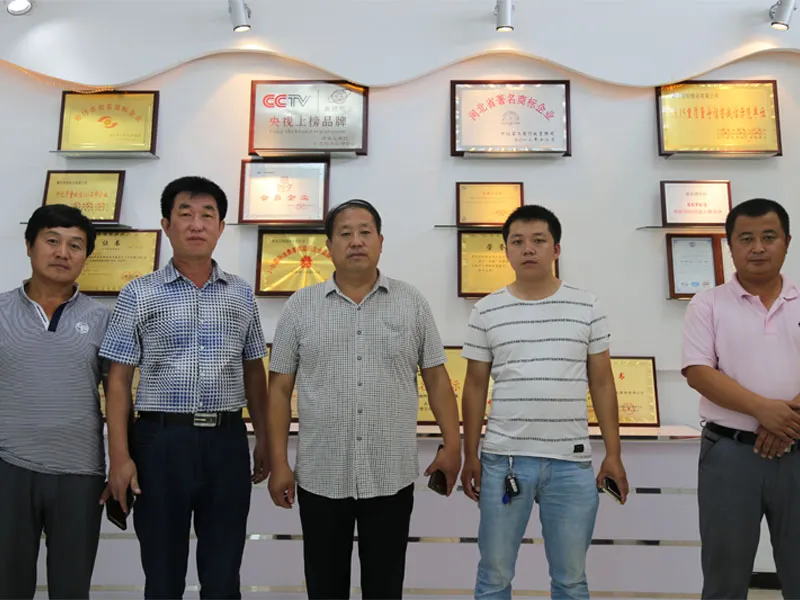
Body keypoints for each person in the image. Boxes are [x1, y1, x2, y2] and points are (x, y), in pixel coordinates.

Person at [266, 198, 462, 600]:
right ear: (329, 246)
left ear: (380, 241)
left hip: (390, 476)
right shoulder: (300, 307)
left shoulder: (411, 302)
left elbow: (438, 381)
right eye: (345, 233)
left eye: (364, 232)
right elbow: (279, 390)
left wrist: (453, 445)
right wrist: (280, 462)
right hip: (321, 476)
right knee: (324, 589)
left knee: (385, 589)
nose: (356, 241)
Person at [100, 176, 269, 600]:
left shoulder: (241, 294)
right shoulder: (138, 293)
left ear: (221, 227)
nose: (196, 224)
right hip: (159, 443)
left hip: (226, 443)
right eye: (185, 214)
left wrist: (266, 439)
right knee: (162, 575)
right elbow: (117, 379)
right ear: (166, 224)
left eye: (207, 215)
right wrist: (119, 456)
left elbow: (254, 371)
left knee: (223, 575)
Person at [460, 204, 628, 600]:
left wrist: (614, 454)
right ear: (506, 250)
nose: (528, 249)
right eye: (517, 241)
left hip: (570, 463)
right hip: (504, 460)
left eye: (538, 240)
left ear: (556, 249)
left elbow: (603, 383)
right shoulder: (486, 310)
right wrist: (471, 455)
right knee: (494, 576)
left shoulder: (587, 306)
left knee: (571, 579)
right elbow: (474, 387)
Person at [682, 198, 800, 599]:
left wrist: (785, 424)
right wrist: (764, 410)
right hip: (730, 457)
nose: (758, 247)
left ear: (787, 241)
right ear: (729, 245)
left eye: (769, 237)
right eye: (746, 238)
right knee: (725, 577)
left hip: (797, 453)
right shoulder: (708, 303)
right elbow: (699, 372)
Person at [0, 204, 109, 599]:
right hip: (8, 469)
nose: (63, 253)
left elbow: (118, 396)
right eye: (52, 241)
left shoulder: (103, 318)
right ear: (29, 246)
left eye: (75, 245)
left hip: (80, 474)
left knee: (71, 589)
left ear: (85, 257)